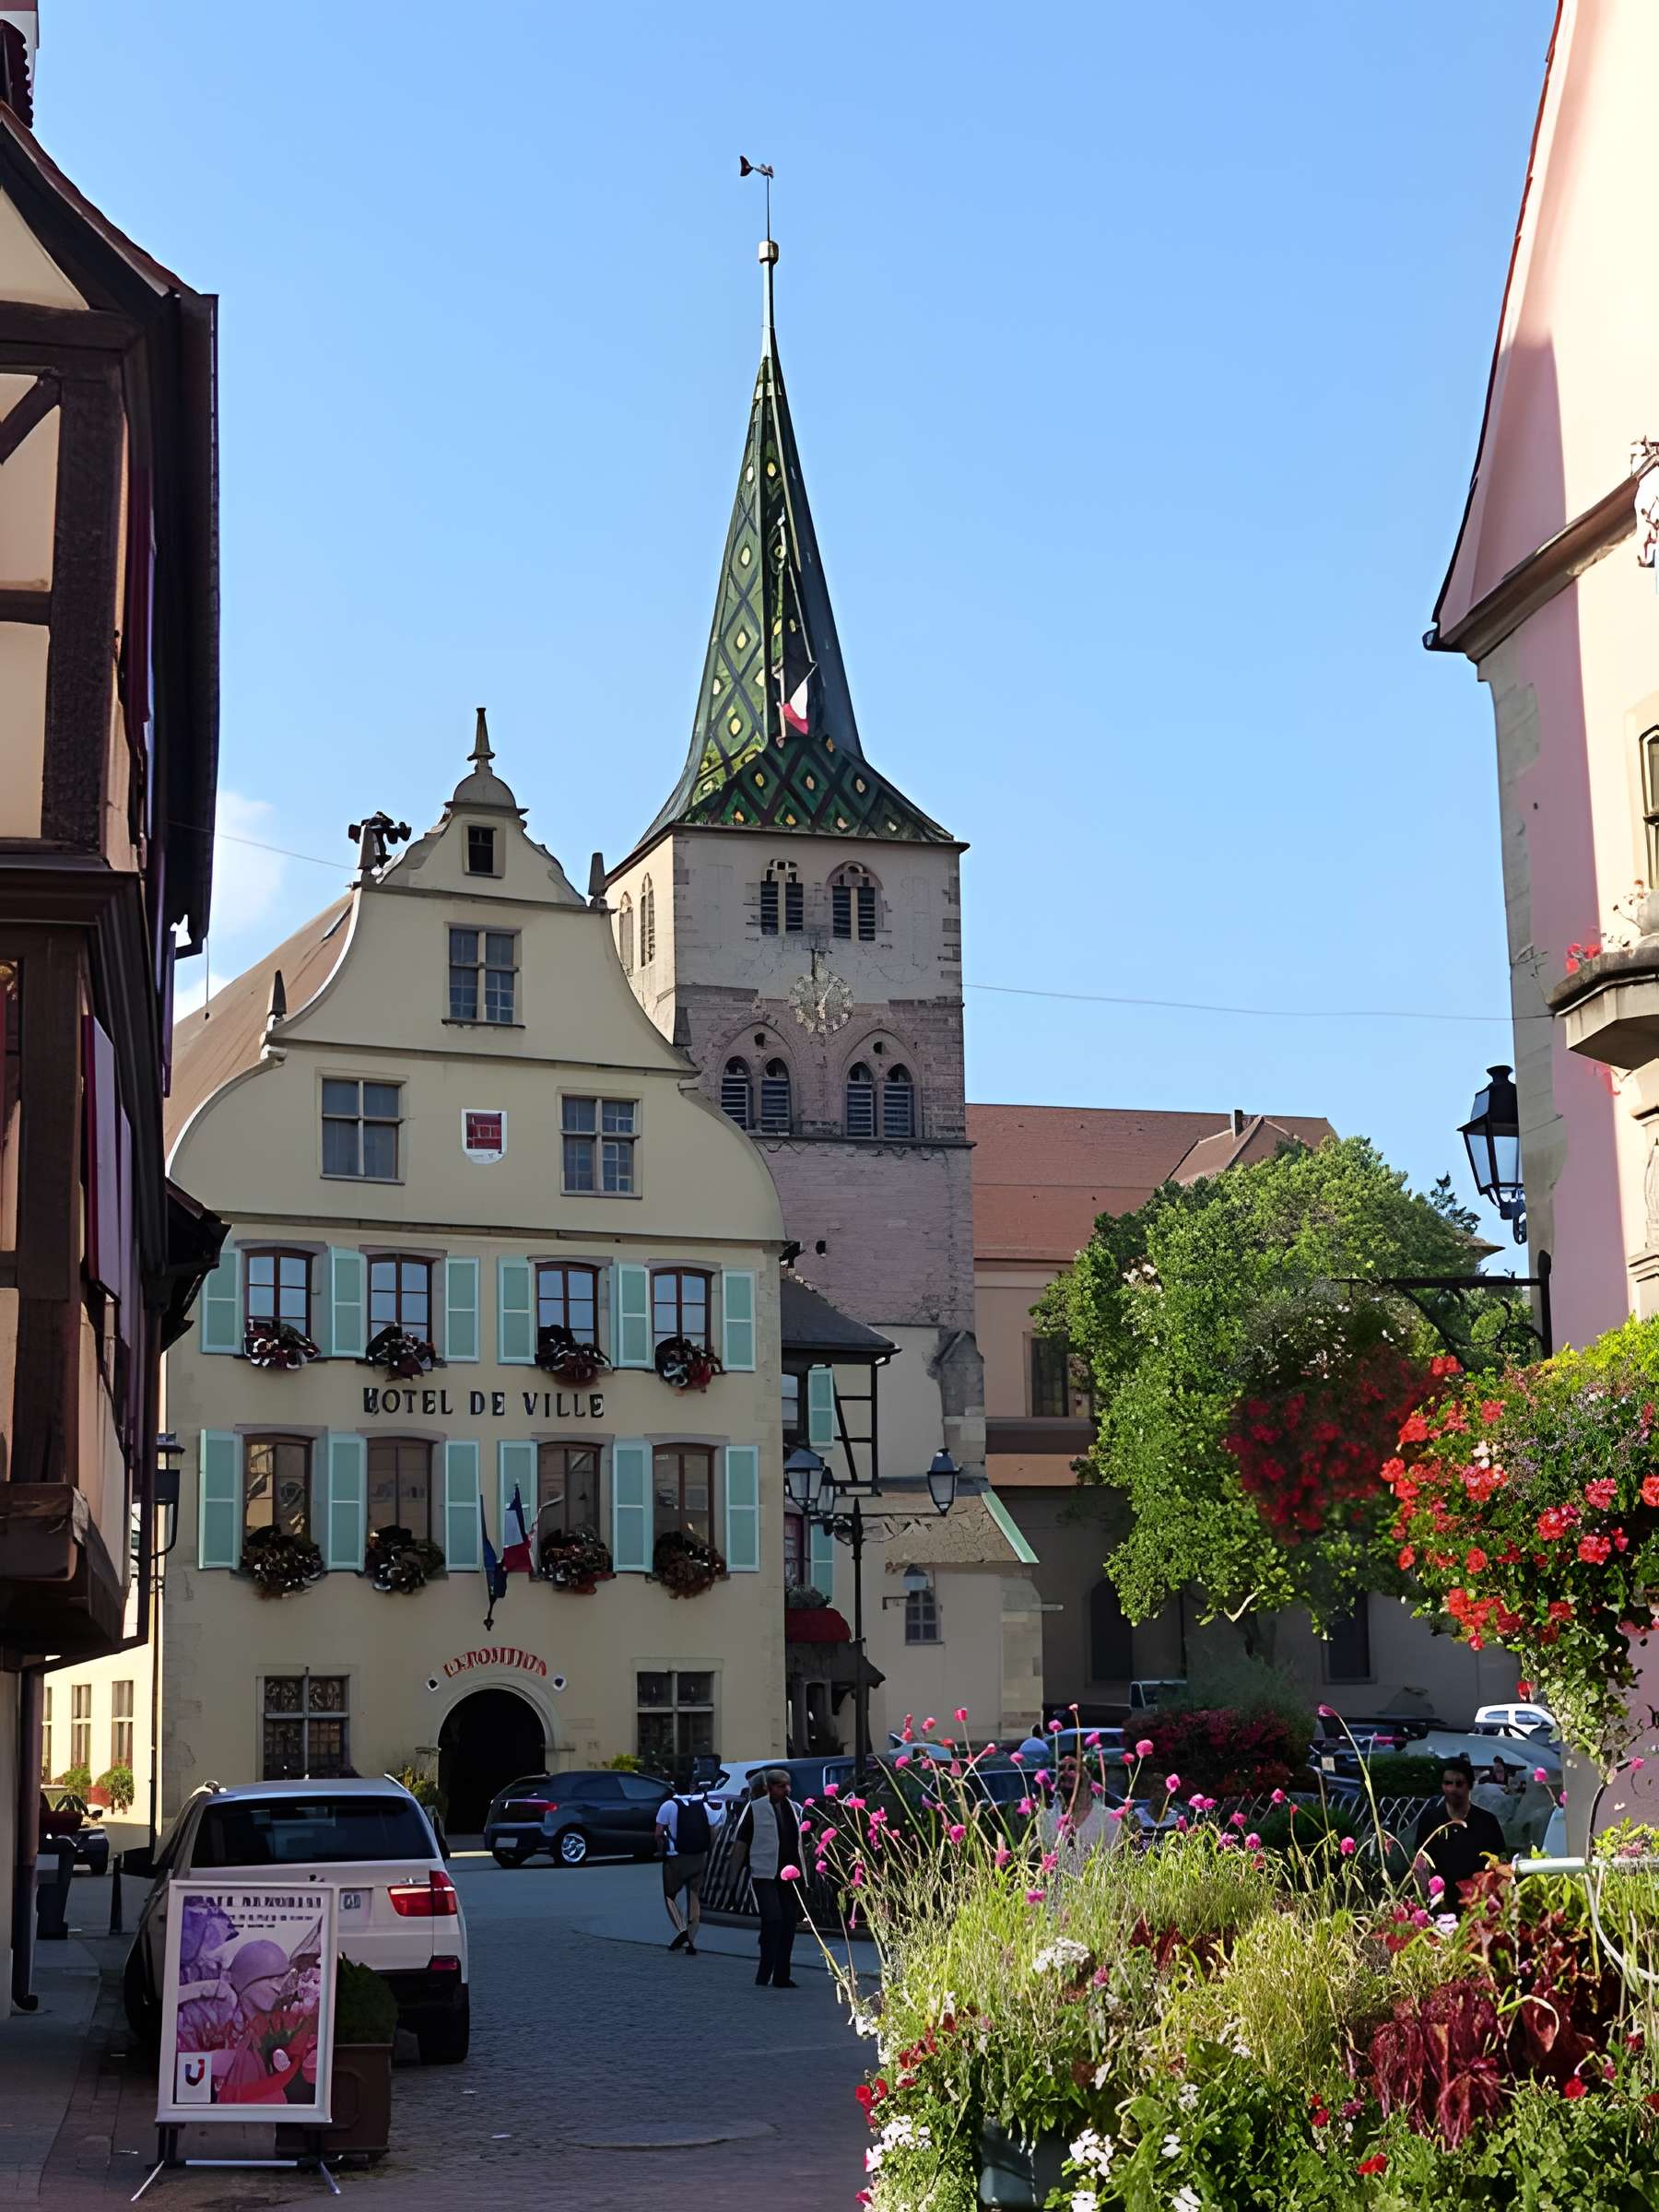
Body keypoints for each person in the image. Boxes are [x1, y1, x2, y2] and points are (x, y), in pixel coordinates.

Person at [733, 1768, 806, 1988]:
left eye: (788, 1785)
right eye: (781, 1786)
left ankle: (782, 1975)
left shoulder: (794, 1809)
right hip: (764, 1873)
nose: (787, 1790)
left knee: (788, 1922)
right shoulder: (755, 1809)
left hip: (789, 1875)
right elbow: (741, 1842)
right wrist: (733, 1875)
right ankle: (764, 1972)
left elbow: (800, 1844)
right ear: (770, 1787)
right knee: (773, 1919)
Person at [1413, 1755, 1508, 1910]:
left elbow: (1501, 1866)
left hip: (1478, 1906)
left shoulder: (1487, 1822)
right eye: (1448, 1783)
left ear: (1469, 1786)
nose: (1453, 1789)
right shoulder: (1430, 1820)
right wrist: (1423, 1900)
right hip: (1440, 1906)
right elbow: (1421, 1863)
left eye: (1459, 1784)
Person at [656, 1784, 721, 1955]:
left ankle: (682, 1929)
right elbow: (713, 1829)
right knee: (694, 1896)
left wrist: (661, 1847)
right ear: (691, 1788)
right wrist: (707, 1849)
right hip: (699, 1857)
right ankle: (692, 1942)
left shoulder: (668, 1805)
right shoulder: (704, 1806)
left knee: (670, 1896)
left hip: (676, 1857)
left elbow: (658, 1832)